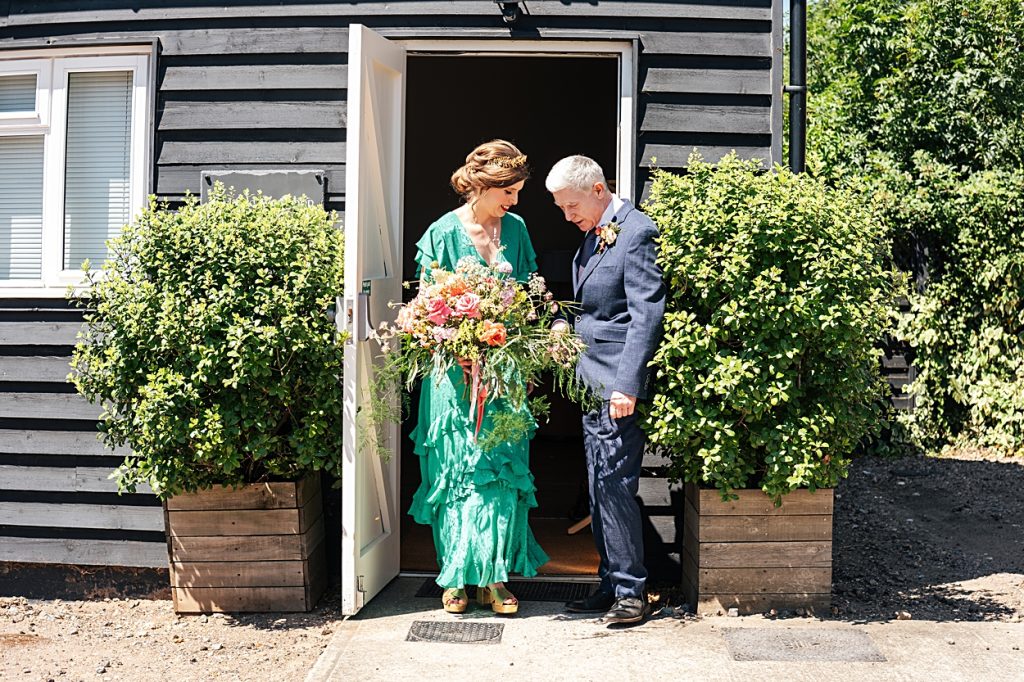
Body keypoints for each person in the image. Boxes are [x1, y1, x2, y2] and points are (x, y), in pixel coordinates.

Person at [408, 140, 548, 615]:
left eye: (517, 192)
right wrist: (459, 350)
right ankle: (455, 577)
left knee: (501, 474)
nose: (514, 201)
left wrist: (525, 347)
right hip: (454, 376)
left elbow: (528, 295)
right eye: (508, 191)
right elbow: (428, 307)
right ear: (483, 186)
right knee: (458, 474)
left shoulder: (518, 229)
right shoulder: (442, 233)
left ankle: (494, 577)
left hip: (505, 374)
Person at [546, 155, 666, 625]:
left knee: (614, 485)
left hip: (616, 384)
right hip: (589, 380)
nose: (567, 215)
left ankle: (632, 593)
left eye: (571, 205)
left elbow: (645, 315)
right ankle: (609, 583)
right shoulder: (592, 235)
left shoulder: (636, 232)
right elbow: (589, 309)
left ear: (598, 190)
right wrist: (561, 324)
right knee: (599, 488)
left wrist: (627, 386)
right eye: (561, 207)